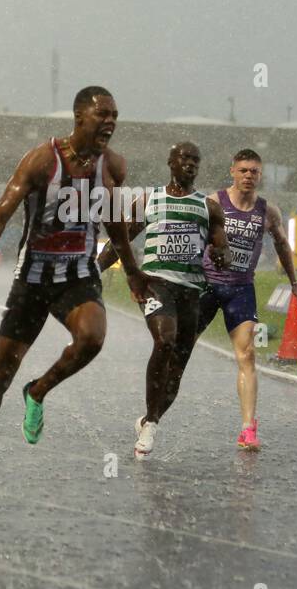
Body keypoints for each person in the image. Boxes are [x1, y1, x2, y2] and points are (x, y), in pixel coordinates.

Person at [0, 86, 146, 500]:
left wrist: (133, 274)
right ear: (79, 118)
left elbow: (117, 227)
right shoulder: (41, 161)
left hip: (78, 275)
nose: (110, 122)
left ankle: (38, 391)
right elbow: (1, 215)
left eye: (115, 115)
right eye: (102, 114)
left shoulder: (113, 167)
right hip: (33, 279)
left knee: (92, 338)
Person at [96, 142, 231, 457]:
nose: (190, 164)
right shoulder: (150, 199)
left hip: (191, 291)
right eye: (185, 158)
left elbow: (222, 247)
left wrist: (221, 254)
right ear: (171, 162)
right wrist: (95, 271)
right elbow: (121, 239)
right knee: (165, 340)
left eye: (196, 160)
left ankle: (149, 418)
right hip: (156, 284)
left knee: (178, 366)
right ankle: (152, 424)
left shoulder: (209, 207)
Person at [196, 148, 297, 449]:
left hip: (241, 289)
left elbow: (283, 246)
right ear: (232, 171)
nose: (248, 176)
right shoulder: (213, 202)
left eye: (254, 171)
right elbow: (194, 239)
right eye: (243, 170)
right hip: (207, 286)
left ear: (260, 175)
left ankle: (248, 429)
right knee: (179, 349)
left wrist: (295, 283)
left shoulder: (268, 212)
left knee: (247, 356)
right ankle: (153, 415)